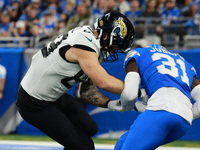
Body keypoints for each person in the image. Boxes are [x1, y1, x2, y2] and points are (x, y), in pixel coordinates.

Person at [16, 11, 134, 150]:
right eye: (116, 45)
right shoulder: (85, 45)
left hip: (53, 97)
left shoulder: (95, 43)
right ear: (106, 34)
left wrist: (110, 104)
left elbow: (86, 90)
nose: (115, 50)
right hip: (34, 102)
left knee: (91, 128)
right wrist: (137, 90)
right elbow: (104, 82)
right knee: (85, 146)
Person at [108, 44, 200, 150]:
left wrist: (124, 105)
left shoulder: (139, 54)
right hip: (183, 123)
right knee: (123, 142)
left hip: (161, 111)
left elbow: (129, 95)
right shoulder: (184, 64)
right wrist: (184, 112)